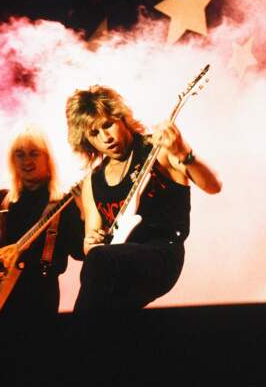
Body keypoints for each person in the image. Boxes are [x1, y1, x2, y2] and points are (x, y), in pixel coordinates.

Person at [65, 85, 222, 311]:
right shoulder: (92, 182)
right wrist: (91, 242)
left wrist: (182, 153)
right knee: (103, 289)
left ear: (121, 118)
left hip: (162, 254)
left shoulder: (158, 150)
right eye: (94, 133)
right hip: (116, 264)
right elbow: (90, 246)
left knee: (99, 262)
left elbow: (214, 186)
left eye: (107, 125)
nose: (105, 137)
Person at [0, 127, 84, 314]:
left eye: (34, 154)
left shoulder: (64, 204)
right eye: (20, 154)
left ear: (47, 159)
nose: (27, 161)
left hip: (42, 298)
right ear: (12, 160)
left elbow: (79, 252)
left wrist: (83, 209)